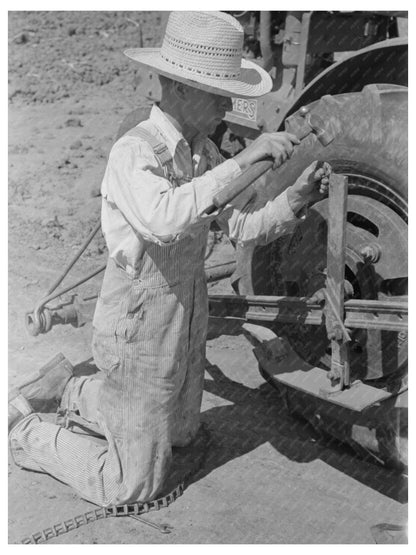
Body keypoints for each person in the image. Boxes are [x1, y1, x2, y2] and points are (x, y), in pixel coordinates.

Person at [9, 11, 330, 508]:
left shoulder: (200, 154)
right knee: (132, 483)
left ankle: (69, 389)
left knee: (181, 434)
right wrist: (247, 161)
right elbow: (165, 220)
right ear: (179, 88)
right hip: (136, 324)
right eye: (219, 92)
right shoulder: (133, 153)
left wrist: (295, 200)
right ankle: (24, 431)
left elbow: (240, 227)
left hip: (185, 314)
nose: (228, 104)